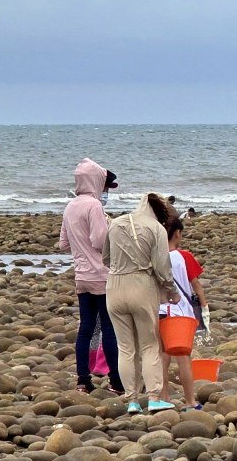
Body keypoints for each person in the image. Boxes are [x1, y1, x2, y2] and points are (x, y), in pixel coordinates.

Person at [103, 192, 178, 412]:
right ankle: (154, 397)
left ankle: (132, 400)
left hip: (114, 286)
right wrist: (171, 291)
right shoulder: (156, 229)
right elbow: (162, 268)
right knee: (149, 344)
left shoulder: (116, 224)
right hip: (142, 286)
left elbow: (105, 258)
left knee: (125, 347)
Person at [58, 159, 123, 395]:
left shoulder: (70, 206)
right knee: (109, 328)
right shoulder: (94, 206)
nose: (105, 192)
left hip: (81, 276)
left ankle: (83, 380)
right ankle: (116, 381)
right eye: (105, 187)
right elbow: (99, 241)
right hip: (102, 277)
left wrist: (80, 246)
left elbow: (64, 243)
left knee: (85, 328)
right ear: (97, 182)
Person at [160, 217, 204, 409]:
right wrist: (204, 305)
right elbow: (196, 285)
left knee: (162, 356)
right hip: (179, 312)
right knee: (183, 357)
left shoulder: (155, 256)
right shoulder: (184, 256)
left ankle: (163, 398)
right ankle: (190, 401)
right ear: (177, 233)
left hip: (159, 309)